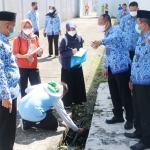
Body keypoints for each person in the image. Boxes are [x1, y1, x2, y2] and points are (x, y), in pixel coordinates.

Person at [91, 14, 133, 130]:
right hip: (112, 68)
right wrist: (106, 66)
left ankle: (130, 119)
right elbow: (108, 52)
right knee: (114, 93)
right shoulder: (106, 34)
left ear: (107, 23)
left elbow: (113, 39)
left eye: (100, 23)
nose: (99, 26)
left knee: (124, 94)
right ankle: (118, 115)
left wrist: (101, 41)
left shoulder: (116, 32)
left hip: (122, 68)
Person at [124, 10, 150, 150]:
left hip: (146, 82)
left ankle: (147, 140)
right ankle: (139, 131)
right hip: (137, 80)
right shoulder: (141, 37)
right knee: (138, 109)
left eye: (138, 22)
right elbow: (136, 59)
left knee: (145, 111)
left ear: (144, 24)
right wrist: (131, 78)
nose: (136, 24)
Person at [18, 81, 84, 135]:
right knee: (54, 124)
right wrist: (76, 129)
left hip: (21, 108)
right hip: (33, 113)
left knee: (46, 108)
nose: (63, 95)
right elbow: (64, 115)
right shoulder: (56, 98)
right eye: (64, 93)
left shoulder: (43, 85)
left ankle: (26, 120)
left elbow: (27, 90)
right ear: (62, 91)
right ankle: (30, 123)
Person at [0, 11, 20, 150]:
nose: (14, 29)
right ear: (7, 26)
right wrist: (6, 95)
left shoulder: (4, 40)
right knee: (6, 133)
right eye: (13, 26)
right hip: (6, 97)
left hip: (9, 93)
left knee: (6, 131)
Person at [59, 21, 86, 109]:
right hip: (67, 67)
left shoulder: (79, 37)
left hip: (77, 65)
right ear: (66, 29)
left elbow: (81, 47)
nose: (71, 30)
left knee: (78, 83)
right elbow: (61, 52)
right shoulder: (64, 39)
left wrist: (81, 52)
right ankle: (67, 103)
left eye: (73, 29)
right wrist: (71, 52)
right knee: (67, 84)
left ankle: (78, 100)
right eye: (69, 29)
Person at [13, 19, 43, 98]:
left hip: (34, 66)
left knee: (37, 87)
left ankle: (37, 104)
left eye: (29, 27)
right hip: (22, 67)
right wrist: (25, 56)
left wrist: (40, 52)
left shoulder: (35, 37)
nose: (27, 28)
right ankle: (25, 106)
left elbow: (39, 51)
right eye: (25, 27)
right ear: (22, 28)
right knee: (24, 88)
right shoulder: (18, 39)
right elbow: (15, 54)